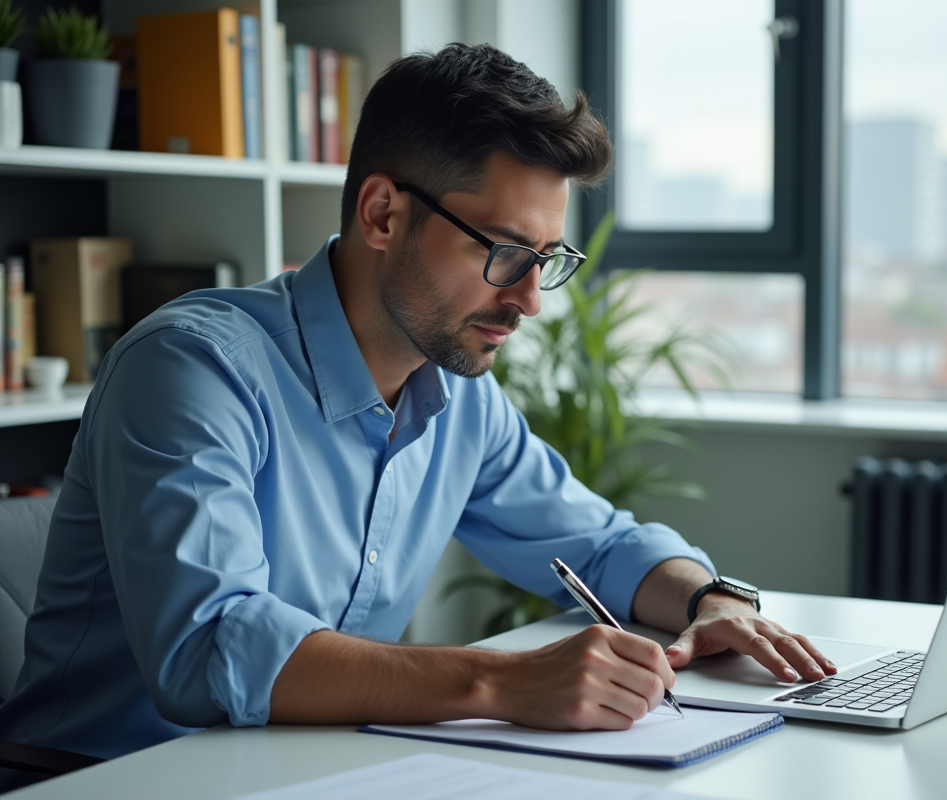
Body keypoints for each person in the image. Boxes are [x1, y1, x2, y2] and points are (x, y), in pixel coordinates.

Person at [0, 44, 835, 763]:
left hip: (312, 768)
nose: (529, 300)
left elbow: (602, 544)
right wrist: (501, 680)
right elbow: (208, 648)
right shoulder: (192, 368)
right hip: (100, 776)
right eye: (505, 252)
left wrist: (709, 601)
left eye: (547, 259)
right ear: (382, 214)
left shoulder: (459, 395)